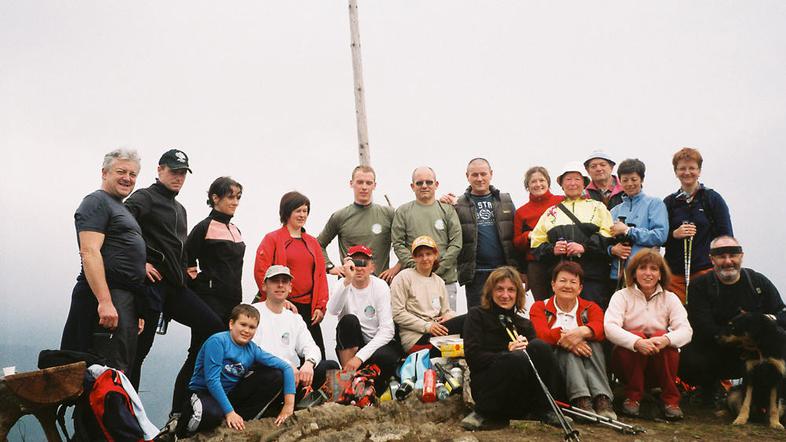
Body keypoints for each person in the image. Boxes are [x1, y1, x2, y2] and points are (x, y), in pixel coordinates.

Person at [124, 149, 224, 417]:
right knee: (138, 353)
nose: (178, 177)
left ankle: (186, 404)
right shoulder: (144, 197)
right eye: (173, 171)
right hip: (151, 286)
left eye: (182, 173)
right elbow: (120, 225)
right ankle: (128, 419)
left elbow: (179, 249)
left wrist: (188, 272)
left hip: (176, 287)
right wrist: (139, 262)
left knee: (213, 326)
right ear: (160, 170)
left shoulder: (180, 209)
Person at [61, 149, 146, 373]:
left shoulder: (121, 208)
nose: (128, 178)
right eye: (121, 171)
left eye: (133, 174)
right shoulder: (96, 201)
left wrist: (136, 309)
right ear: (104, 173)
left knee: (117, 372)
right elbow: (89, 252)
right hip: (103, 298)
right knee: (98, 374)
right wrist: (105, 301)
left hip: (122, 300)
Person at [679, 236, 786, 406]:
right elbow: (702, 327)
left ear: (741, 256)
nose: (728, 261)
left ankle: (775, 398)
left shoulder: (758, 282)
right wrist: (740, 339)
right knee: (688, 358)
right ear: (712, 259)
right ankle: (709, 388)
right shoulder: (700, 285)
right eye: (721, 256)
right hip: (717, 348)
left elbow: (782, 314)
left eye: (733, 256)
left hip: (757, 351)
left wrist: (765, 324)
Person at [461, 266, 562, 430]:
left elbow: (538, 361)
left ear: (518, 294)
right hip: (489, 389)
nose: (505, 295)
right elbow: (473, 357)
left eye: (511, 290)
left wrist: (526, 350)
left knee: (540, 346)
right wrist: (506, 353)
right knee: (516, 357)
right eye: (499, 289)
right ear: (490, 292)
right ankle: (482, 413)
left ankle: (546, 409)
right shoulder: (476, 315)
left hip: (520, 394)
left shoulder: (524, 324)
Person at [176, 304, 295, 437]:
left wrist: (288, 406)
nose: (246, 330)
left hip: (230, 393)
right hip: (204, 393)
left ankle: (240, 423)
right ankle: (180, 434)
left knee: (275, 375)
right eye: (243, 325)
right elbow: (212, 381)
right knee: (212, 413)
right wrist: (229, 412)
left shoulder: (252, 349)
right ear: (231, 324)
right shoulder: (217, 341)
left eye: (252, 327)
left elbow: (286, 367)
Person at [604, 249, 693, 420]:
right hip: (627, 364)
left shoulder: (671, 298)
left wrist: (665, 339)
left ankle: (670, 401)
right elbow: (610, 327)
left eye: (654, 269)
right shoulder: (621, 296)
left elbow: (686, 330)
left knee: (664, 338)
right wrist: (636, 342)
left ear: (660, 275)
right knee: (635, 335)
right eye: (642, 268)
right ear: (634, 273)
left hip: (659, 365)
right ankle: (633, 397)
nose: (648, 273)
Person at [529, 262, 616, 420]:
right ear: (553, 285)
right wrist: (567, 340)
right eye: (562, 281)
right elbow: (540, 334)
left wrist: (582, 331)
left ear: (580, 288)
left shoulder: (591, 307)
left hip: (588, 364)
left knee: (594, 343)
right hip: (557, 371)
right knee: (566, 350)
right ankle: (581, 399)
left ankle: (601, 398)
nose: (567, 286)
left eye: (573, 282)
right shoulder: (540, 307)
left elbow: (601, 328)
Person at [254, 191, 329, 358]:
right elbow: (261, 271)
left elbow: (320, 276)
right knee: (280, 354)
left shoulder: (313, 242)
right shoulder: (272, 238)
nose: (302, 215)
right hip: (282, 306)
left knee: (318, 358)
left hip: (309, 308)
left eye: (305, 211)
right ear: (287, 212)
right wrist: (281, 300)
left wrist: (320, 306)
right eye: (298, 211)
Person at [530, 162, 614, 308]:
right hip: (561, 281)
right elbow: (536, 244)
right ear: (562, 185)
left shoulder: (598, 207)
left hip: (593, 279)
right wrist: (552, 249)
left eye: (577, 179)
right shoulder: (551, 212)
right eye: (568, 179)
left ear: (584, 183)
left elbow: (608, 235)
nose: (572, 183)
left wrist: (584, 247)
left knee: (594, 317)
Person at [440, 158, 519, 308]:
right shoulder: (458, 204)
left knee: (504, 317)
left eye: (483, 174)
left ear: (491, 174)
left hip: (505, 272)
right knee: (477, 318)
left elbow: (515, 235)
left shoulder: (505, 200)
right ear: (467, 176)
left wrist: (521, 271)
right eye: (474, 175)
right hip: (475, 274)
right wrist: (442, 204)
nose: (479, 178)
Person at [251, 266, 339, 400]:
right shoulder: (253, 312)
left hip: (292, 375)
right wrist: (286, 365)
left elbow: (311, 347)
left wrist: (309, 363)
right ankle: (275, 407)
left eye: (284, 281)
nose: (280, 285)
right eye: (275, 281)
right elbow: (254, 350)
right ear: (264, 286)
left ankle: (325, 407)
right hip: (266, 373)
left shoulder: (294, 318)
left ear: (290, 287)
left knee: (330, 366)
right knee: (277, 374)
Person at [663, 147, 733, 303]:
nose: (687, 172)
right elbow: (659, 237)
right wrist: (674, 234)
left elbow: (726, 236)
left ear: (699, 171)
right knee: (677, 314)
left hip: (706, 270)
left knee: (704, 311)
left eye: (692, 168)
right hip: (675, 275)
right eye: (682, 168)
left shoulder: (712, 199)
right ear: (676, 172)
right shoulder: (669, 202)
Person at [327, 245, 401, 391]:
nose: (359, 268)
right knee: (348, 320)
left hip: (377, 344)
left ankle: (370, 388)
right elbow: (333, 311)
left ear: (372, 268)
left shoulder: (380, 286)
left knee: (385, 357)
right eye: (355, 263)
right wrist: (347, 280)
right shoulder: (341, 284)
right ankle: (347, 383)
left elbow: (387, 331)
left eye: (363, 264)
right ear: (347, 265)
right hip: (353, 344)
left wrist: (359, 358)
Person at [391, 167, 463, 310]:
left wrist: (438, 268)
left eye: (429, 182)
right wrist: (417, 267)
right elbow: (398, 244)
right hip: (414, 282)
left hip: (445, 280)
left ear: (436, 184)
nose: (424, 186)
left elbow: (456, 243)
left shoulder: (447, 210)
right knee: (418, 323)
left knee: (447, 322)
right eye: (419, 183)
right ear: (412, 186)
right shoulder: (403, 212)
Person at [317, 165, 400, 283]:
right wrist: (329, 267)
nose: (364, 187)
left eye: (368, 183)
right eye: (360, 182)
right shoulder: (340, 216)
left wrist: (396, 268)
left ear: (374, 185)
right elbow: (318, 244)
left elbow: (407, 242)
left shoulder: (388, 214)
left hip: (380, 285)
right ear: (351, 184)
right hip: (349, 285)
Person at [186, 177, 245, 325]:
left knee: (228, 339)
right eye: (230, 197)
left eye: (238, 197)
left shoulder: (236, 229)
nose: (235, 202)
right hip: (209, 300)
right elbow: (186, 258)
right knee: (206, 338)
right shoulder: (203, 227)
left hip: (234, 299)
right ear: (215, 198)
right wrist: (198, 286)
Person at [391, 236, 464, 354]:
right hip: (415, 340)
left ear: (435, 255)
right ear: (414, 257)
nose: (425, 258)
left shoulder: (439, 281)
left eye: (428, 254)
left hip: (438, 334)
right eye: (420, 255)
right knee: (469, 321)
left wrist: (449, 316)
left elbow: (446, 311)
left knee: (471, 325)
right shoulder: (403, 277)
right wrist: (427, 326)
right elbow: (397, 313)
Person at [608, 159, 668, 288]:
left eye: (634, 179)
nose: (629, 184)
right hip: (618, 275)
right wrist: (612, 250)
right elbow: (606, 240)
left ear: (642, 179)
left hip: (645, 274)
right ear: (620, 181)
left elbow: (660, 236)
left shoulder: (654, 204)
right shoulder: (614, 211)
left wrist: (628, 231)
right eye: (625, 180)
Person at [513, 166, 564, 300]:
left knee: (563, 301)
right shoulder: (521, 212)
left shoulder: (561, 202)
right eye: (533, 181)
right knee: (541, 304)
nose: (538, 184)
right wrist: (528, 235)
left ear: (548, 182)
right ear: (527, 186)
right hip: (536, 265)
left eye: (541, 180)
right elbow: (516, 243)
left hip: (561, 261)